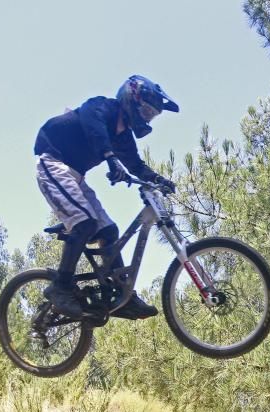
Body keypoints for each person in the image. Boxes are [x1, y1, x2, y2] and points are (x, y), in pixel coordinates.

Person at [33, 75, 179, 319]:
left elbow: (135, 165)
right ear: (131, 100)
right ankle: (60, 287)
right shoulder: (100, 107)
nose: (146, 117)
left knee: (108, 231)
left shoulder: (123, 137)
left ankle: (120, 295)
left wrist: (158, 180)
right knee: (85, 223)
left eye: (151, 114)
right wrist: (110, 158)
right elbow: (95, 130)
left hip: (76, 177)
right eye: (145, 110)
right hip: (52, 162)